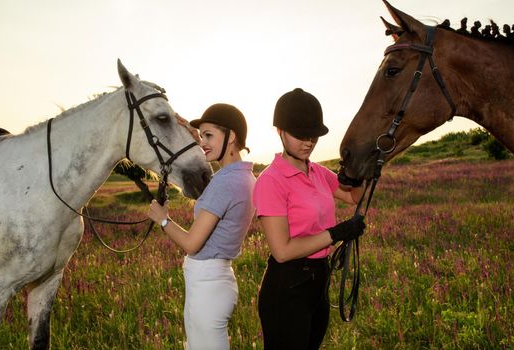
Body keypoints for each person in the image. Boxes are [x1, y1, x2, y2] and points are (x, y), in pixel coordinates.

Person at [252, 88, 366, 349]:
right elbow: (282, 251)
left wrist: (359, 172)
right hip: (288, 286)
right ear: (279, 131)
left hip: (319, 279)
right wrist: (336, 234)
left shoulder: (317, 172)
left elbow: (353, 197)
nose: (309, 142)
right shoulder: (271, 181)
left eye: (313, 134)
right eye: (300, 135)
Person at [147, 103, 256, 350]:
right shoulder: (243, 176)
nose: (203, 142)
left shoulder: (225, 183)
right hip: (215, 282)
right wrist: (197, 136)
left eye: (209, 136)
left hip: (207, 284)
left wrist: (163, 219)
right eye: (202, 135)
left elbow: (191, 244)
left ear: (232, 137)